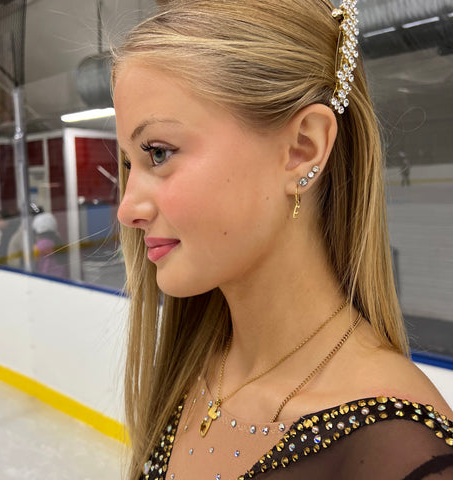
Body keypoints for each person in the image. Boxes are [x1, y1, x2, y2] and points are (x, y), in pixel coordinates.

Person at [111, 1, 453, 479]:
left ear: (302, 149)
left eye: (159, 153)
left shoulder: (402, 456)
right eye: (130, 163)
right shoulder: (193, 372)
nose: (127, 209)